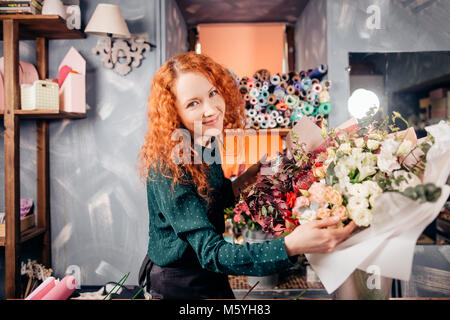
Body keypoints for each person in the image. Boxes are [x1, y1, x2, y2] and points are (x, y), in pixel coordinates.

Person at [137, 51, 356, 299]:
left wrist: (247, 179)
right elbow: (212, 253)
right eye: (193, 103)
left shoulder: (203, 141)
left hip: (210, 273)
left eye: (212, 93)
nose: (211, 110)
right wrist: (291, 245)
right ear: (173, 113)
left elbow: (214, 204)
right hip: (180, 282)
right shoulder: (170, 166)